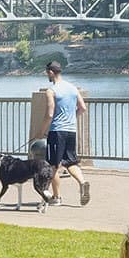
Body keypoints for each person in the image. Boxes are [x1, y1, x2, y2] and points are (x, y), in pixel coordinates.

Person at [43, 61, 90, 206]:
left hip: (57, 131)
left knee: (53, 166)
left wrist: (42, 131)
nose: (47, 75)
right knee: (71, 161)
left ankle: (56, 198)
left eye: (47, 72)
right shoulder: (72, 88)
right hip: (71, 130)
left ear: (51, 72)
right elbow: (82, 108)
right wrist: (70, 118)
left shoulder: (51, 90)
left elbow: (50, 114)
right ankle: (82, 182)